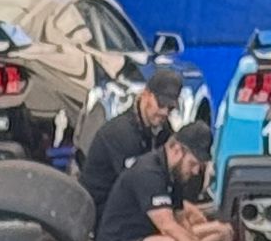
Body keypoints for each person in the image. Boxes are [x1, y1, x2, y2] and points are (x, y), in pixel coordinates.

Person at [95, 121, 239, 241]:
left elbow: (182, 223)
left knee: (223, 232)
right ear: (177, 150)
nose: (195, 171)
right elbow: (168, 226)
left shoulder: (174, 174)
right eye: (192, 163)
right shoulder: (148, 172)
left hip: (152, 238)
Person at [76, 57, 193, 216]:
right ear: (146, 95)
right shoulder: (121, 132)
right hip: (101, 213)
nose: (165, 112)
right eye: (161, 104)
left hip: (131, 209)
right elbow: (137, 184)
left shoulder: (162, 130)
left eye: (170, 108)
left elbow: (170, 170)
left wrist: (179, 206)